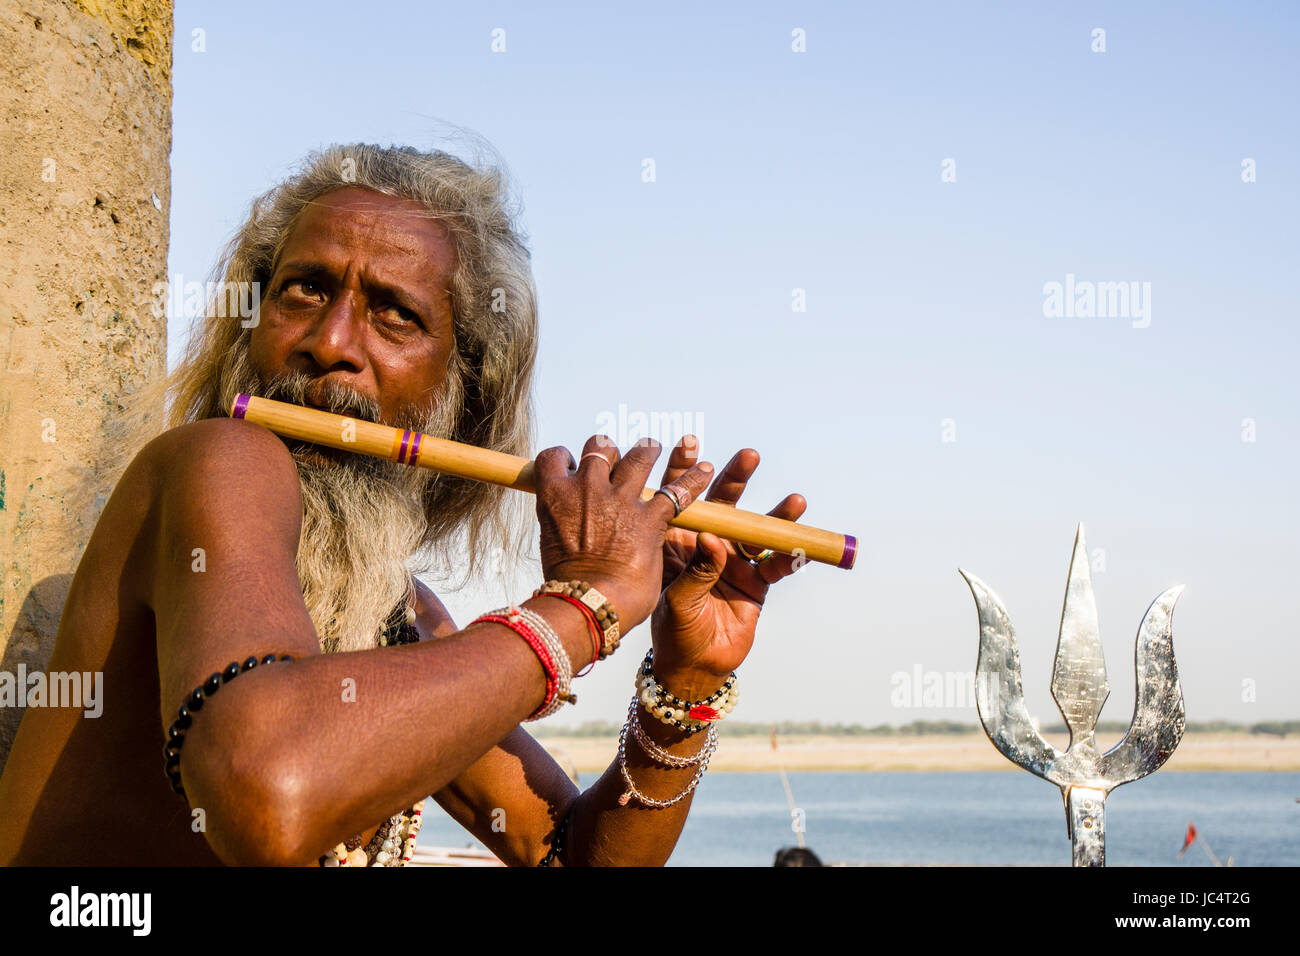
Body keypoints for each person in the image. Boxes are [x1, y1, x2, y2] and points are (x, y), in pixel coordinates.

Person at [0, 144, 808, 866]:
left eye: (395, 313)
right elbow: (267, 797)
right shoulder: (217, 460)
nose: (334, 343)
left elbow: (568, 855)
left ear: (461, 394)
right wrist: (583, 606)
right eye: (303, 290)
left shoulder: (400, 617)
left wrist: (684, 682)